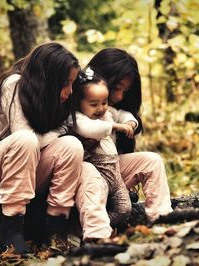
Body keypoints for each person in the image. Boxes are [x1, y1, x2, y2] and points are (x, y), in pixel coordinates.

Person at [0, 42, 83, 254]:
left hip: (19, 169)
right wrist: (60, 130)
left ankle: (55, 227)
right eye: (66, 83)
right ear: (50, 78)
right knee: (26, 139)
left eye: (72, 83)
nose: (70, 91)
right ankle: (11, 230)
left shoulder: (48, 96)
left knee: (72, 145)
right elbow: (24, 137)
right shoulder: (13, 84)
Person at [76, 48, 173, 240]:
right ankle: (98, 236)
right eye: (116, 88)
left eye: (125, 91)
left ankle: (161, 220)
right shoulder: (77, 107)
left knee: (152, 161)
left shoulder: (110, 110)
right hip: (82, 177)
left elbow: (124, 116)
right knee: (90, 175)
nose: (120, 97)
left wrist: (129, 123)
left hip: (111, 172)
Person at [68, 67, 135, 232]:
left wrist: (130, 122)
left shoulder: (106, 114)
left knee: (124, 209)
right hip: (98, 174)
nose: (101, 108)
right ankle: (90, 229)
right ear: (79, 102)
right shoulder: (77, 118)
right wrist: (115, 126)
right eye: (94, 104)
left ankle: (105, 224)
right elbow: (91, 129)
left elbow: (121, 113)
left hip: (115, 174)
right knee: (95, 203)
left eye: (104, 102)